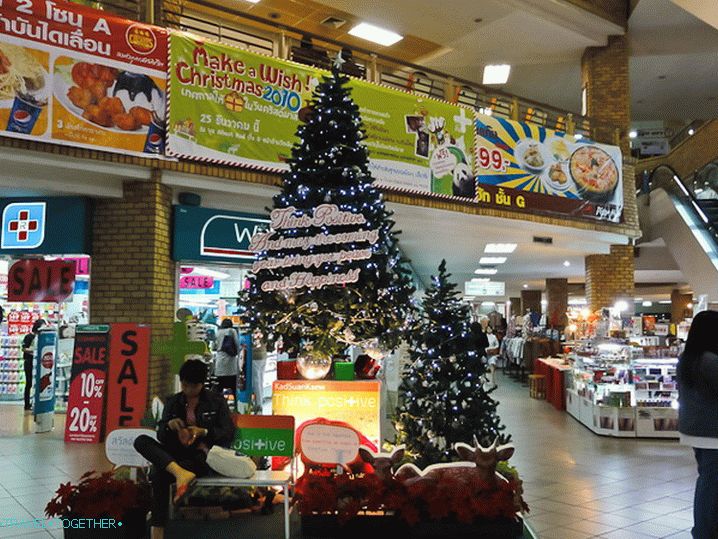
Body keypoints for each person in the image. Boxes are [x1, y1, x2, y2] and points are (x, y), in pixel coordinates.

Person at [134, 360, 235, 539]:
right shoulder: (174, 401)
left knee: (159, 475)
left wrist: (202, 431)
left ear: (201, 384)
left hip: (201, 455)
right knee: (141, 441)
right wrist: (169, 426)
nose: (187, 389)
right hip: (174, 454)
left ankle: (157, 531)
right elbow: (161, 436)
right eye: (184, 384)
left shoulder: (216, 402)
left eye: (192, 386)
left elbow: (227, 432)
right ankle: (180, 473)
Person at [677, 310, 718, 539]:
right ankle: (703, 531)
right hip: (712, 431)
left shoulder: (689, 358)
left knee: (708, 479)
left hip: (697, 430)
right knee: (710, 484)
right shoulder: (710, 361)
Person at [22, 318, 46, 411]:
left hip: (37, 362)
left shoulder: (40, 337)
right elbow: (24, 348)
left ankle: (34, 402)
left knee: (37, 383)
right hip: (29, 362)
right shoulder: (29, 337)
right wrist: (35, 351)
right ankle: (27, 404)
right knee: (29, 383)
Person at [214, 319, 240, 394]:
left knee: (219, 388)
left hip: (219, 362)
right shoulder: (232, 331)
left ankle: (219, 404)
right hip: (230, 362)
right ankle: (236, 404)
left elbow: (215, 345)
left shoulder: (218, 332)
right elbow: (237, 344)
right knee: (234, 388)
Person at [480, 317, 501, 390]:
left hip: (492, 354)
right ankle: (483, 380)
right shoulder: (483, 336)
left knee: (492, 364)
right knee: (482, 364)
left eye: (490, 329)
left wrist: (493, 349)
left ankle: (493, 381)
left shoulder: (494, 336)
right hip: (485, 353)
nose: (489, 330)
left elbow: (497, 345)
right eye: (488, 329)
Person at [251, 330, 267, 411]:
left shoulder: (253, 334)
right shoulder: (263, 330)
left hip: (255, 357)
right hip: (263, 355)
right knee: (260, 381)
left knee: (256, 381)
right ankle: (259, 402)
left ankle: (258, 404)